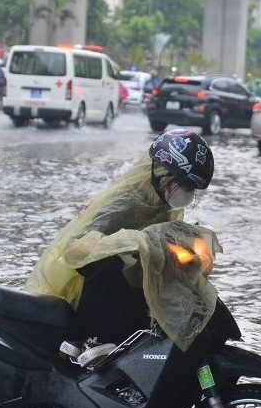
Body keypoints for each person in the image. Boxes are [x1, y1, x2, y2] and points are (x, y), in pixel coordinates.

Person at [25, 128, 215, 347]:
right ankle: (93, 343)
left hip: (127, 292)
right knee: (110, 266)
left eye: (192, 189)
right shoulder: (124, 203)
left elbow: (159, 242)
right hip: (84, 292)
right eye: (185, 185)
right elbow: (74, 248)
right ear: (162, 174)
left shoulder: (161, 204)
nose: (188, 193)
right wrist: (129, 243)